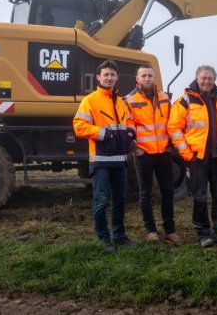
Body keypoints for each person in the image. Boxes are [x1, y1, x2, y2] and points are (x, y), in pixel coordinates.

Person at [168, 65, 217, 248]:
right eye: (203, 78)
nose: (207, 81)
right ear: (197, 79)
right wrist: (187, 154)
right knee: (199, 197)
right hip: (197, 159)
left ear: (215, 80)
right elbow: (174, 129)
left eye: (210, 78)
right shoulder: (185, 100)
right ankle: (203, 233)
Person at [73, 60, 136, 253]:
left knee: (120, 200)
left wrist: (131, 132)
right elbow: (79, 126)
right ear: (98, 77)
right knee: (100, 201)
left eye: (112, 75)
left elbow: (130, 120)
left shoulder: (122, 101)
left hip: (120, 161)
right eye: (106, 75)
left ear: (117, 78)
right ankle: (103, 240)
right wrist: (103, 133)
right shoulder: (90, 100)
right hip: (100, 161)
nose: (109, 78)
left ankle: (119, 236)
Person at [125, 65, 182, 245]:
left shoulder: (165, 98)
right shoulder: (129, 100)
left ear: (154, 78)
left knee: (168, 192)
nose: (147, 78)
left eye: (150, 75)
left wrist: (170, 146)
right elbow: (127, 126)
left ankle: (170, 231)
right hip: (144, 154)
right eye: (144, 76)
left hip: (164, 153)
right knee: (145, 193)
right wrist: (135, 149)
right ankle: (151, 231)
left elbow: (172, 123)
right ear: (137, 79)